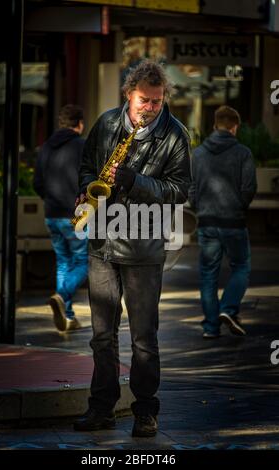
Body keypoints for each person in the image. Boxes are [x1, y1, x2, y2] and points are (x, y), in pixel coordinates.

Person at [73, 60, 192, 437]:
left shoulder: (176, 135)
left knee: (143, 336)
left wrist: (137, 182)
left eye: (157, 102)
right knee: (101, 335)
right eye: (145, 100)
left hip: (143, 246)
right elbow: (88, 166)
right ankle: (101, 408)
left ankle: (145, 411)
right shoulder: (107, 123)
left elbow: (180, 191)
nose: (151, 108)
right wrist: (90, 185)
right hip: (103, 241)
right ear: (129, 94)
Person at [189, 105, 257, 339]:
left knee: (208, 274)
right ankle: (228, 308)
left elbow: (191, 187)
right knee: (241, 267)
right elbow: (249, 188)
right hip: (234, 222)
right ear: (234, 127)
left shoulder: (197, 154)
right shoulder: (243, 153)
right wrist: (238, 207)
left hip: (207, 221)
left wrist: (200, 208)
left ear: (215, 125)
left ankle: (210, 327)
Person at [34, 104, 88, 332]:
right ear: (80, 124)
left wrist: (50, 199)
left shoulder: (46, 147)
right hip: (74, 215)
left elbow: (37, 183)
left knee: (64, 263)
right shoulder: (81, 146)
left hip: (51, 214)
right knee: (84, 261)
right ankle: (61, 296)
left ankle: (67, 316)